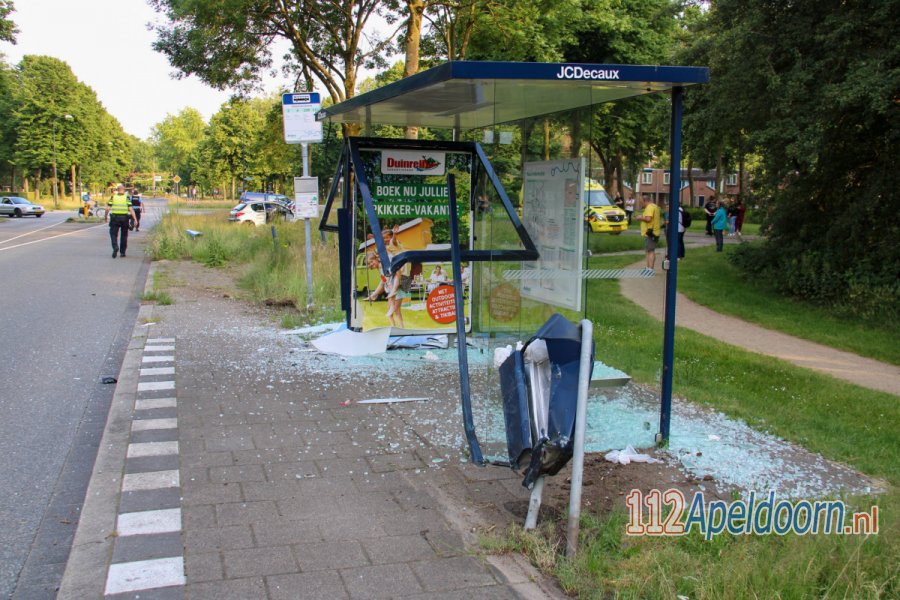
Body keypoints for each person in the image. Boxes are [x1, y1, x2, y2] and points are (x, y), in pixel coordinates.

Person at [106, 184, 136, 258]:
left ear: (117, 190)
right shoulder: (127, 198)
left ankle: (115, 247)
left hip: (114, 218)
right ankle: (122, 252)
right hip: (124, 219)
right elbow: (131, 209)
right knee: (124, 236)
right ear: (124, 190)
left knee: (113, 234)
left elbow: (107, 208)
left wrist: (105, 216)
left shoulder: (113, 197)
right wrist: (135, 219)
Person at [634, 195, 661, 271]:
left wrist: (640, 218)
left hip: (650, 232)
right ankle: (648, 268)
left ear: (645, 201)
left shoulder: (649, 207)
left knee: (650, 251)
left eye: (641, 202)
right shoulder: (655, 206)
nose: (641, 203)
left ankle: (650, 269)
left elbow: (648, 219)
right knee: (649, 251)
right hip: (654, 232)